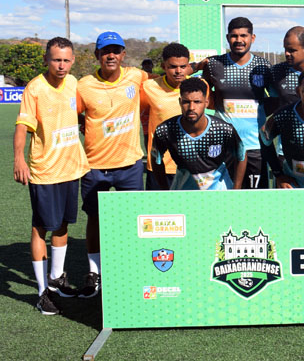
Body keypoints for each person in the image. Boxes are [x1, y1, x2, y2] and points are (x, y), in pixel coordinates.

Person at [13, 37, 90, 314]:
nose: (61, 65)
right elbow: (22, 127)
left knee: (63, 225)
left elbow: (79, 113)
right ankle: (42, 292)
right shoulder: (35, 88)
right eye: (56, 59)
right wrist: (19, 159)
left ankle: (56, 280)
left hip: (71, 168)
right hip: (44, 171)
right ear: (46, 59)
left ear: (73, 60)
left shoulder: (73, 83)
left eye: (66, 60)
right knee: (41, 227)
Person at [76, 31, 149, 298]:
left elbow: (162, 83)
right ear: (97, 55)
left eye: (116, 50)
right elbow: (73, 114)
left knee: (133, 220)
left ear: (123, 54)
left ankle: (132, 268)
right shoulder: (83, 85)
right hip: (94, 166)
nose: (111, 55)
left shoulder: (136, 76)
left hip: (130, 165)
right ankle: (94, 272)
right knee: (94, 219)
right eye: (106, 51)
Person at [200, 17, 272, 189]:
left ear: (252, 38)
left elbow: (276, 99)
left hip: (255, 147)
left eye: (243, 36)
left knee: (256, 199)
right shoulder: (214, 65)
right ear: (227, 38)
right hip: (225, 147)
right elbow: (202, 97)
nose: (239, 40)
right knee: (224, 198)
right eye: (234, 36)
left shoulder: (264, 66)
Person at [151, 77, 246, 190]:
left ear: (206, 102)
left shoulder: (223, 129)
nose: (192, 107)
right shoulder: (165, 130)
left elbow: (241, 155)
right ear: (180, 102)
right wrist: (164, 189)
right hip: (183, 192)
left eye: (197, 102)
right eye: (186, 102)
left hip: (219, 192)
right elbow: (155, 159)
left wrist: (236, 188)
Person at [140, 43, 191, 190]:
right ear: (163, 66)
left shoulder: (199, 86)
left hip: (191, 165)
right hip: (158, 165)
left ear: (188, 66)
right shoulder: (149, 87)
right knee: (157, 205)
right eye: (173, 67)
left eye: (183, 66)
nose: (178, 71)